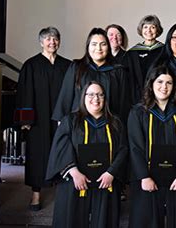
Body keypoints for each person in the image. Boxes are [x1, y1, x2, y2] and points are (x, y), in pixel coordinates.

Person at [46, 81, 128, 227]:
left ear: (105, 98)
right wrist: (74, 172)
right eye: (90, 94)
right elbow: (61, 148)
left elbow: (123, 149)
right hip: (75, 182)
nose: (95, 99)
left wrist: (111, 173)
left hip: (106, 182)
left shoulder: (115, 123)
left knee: (104, 221)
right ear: (83, 97)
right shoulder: (70, 121)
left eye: (100, 95)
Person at [14, 27, 71, 211]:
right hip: (37, 120)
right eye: (48, 39)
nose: (52, 42)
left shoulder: (67, 65)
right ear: (41, 42)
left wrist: (69, 117)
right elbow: (24, 94)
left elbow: (71, 94)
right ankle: (36, 194)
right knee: (37, 155)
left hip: (61, 119)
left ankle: (63, 191)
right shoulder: (30, 65)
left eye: (55, 38)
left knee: (63, 152)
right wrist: (26, 120)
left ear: (59, 41)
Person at [128, 65, 176, 228]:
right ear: (151, 84)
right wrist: (144, 176)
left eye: (169, 83)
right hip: (147, 179)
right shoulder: (138, 112)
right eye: (160, 82)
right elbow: (135, 147)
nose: (164, 87)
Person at [52, 28, 133, 125]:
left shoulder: (118, 71)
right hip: (79, 125)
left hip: (109, 126)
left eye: (103, 44)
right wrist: (62, 122)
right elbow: (66, 96)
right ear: (88, 47)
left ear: (108, 47)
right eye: (94, 44)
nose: (98, 49)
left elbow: (123, 104)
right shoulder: (77, 67)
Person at [106, 24, 143, 102]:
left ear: (122, 38)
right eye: (111, 35)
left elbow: (137, 82)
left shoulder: (131, 57)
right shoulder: (101, 58)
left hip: (126, 100)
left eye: (118, 35)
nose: (114, 37)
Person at [129, 15, 165, 79]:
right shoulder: (133, 52)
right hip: (138, 88)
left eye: (153, 27)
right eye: (145, 27)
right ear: (141, 30)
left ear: (157, 30)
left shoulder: (164, 50)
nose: (149, 30)